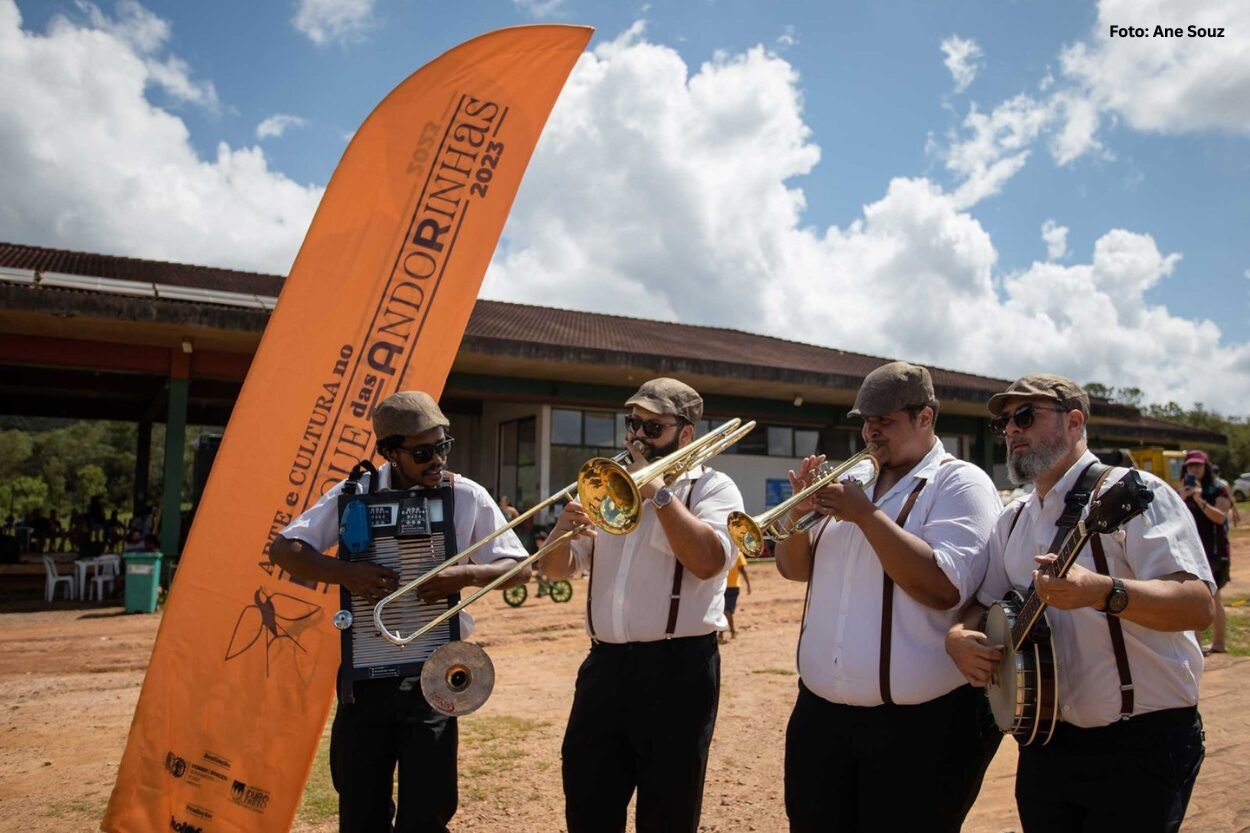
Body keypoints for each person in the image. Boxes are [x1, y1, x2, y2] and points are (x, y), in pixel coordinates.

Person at [946, 374, 1215, 833]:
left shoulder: (1132, 493)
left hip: (1143, 742)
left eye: (1025, 416)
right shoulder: (1012, 520)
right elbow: (981, 605)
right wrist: (958, 637)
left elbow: (1196, 605)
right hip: (1046, 741)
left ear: (1074, 421)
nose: (1012, 430)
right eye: (1005, 423)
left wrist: (1104, 591)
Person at [269, 391, 529, 833]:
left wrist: (462, 575)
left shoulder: (465, 494)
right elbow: (286, 549)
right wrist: (346, 572)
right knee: (360, 809)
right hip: (366, 681)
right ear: (390, 452)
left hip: (435, 676)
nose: (437, 460)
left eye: (443, 446)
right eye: (423, 452)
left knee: (427, 812)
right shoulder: (354, 494)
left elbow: (518, 568)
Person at [774, 361, 1003, 833]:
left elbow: (941, 588)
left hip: (918, 730)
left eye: (885, 421)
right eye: (866, 421)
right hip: (821, 718)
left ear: (925, 418)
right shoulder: (853, 480)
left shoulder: (959, 483)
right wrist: (797, 517)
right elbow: (795, 570)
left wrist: (866, 517)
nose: (871, 433)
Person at [541, 377, 745, 833]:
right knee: (588, 801)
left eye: (654, 429)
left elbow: (710, 561)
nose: (637, 437)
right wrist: (562, 531)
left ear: (686, 434)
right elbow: (558, 570)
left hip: (678, 670)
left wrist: (657, 492)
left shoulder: (714, 488)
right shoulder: (609, 484)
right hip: (605, 667)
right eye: (632, 424)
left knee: (667, 809)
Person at [1179, 449, 1233, 654]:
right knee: (1193, 597)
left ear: (1206, 467)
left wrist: (1200, 499)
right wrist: (1182, 498)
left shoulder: (1218, 489)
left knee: (1214, 597)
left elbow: (1220, 517)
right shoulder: (1183, 491)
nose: (1194, 469)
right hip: (1190, 551)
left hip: (1215, 551)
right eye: (1190, 466)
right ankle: (1197, 645)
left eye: (1198, 465)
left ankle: (1219, 644)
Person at [720, 550, 752, 643]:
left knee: (725, 610)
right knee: (728, 611)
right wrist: (748, 585)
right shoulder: (738, 554)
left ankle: (727, 632)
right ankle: (728, 632)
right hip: (734, 586)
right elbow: (743, 571)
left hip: (723, 585)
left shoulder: (723, 552)